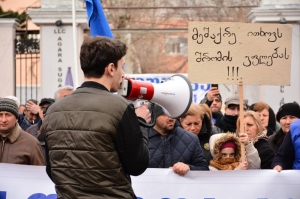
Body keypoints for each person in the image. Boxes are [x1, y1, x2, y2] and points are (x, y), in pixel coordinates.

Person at [42, 36, 150, 199]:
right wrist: (140, 122)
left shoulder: (53, 110)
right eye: (122, 66)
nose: (123, 73)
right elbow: (137, 165)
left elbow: (52, 169)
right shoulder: (119, 107)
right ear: (111, 68)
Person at [148, 103, 209, 176]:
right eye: (164, 114)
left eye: (172, 113)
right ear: (154, 116)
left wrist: (189, 167)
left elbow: (204, 169)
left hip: (180, 187)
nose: (170, 117)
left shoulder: (191, 139)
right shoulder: (141, 139)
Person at [0, 98, 45, 165]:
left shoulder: (31, 143)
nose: (3, 120)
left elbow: (39, 172)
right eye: (0, 115)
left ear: (16, 118)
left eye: (8, 115)